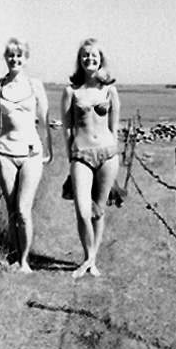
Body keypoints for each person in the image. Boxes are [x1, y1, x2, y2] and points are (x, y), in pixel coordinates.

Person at [0, 38, 53, 273]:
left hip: (31, 154)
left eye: (19, 55)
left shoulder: (35, 86)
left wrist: (49, 150)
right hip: (5, 153)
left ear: (26, 59)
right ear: (5, 58)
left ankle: (25, 262)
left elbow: (44, 121)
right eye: (11, 55)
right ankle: (15, 256)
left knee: (24, 210)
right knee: (12, 210)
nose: (15, 59)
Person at [61, 38, 120, 278]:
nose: (89, 59)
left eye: (94, 55)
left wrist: (115, 154)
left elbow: (114, 128)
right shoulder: (71, 91)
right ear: (80, 60)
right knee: (83, 211)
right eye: (85, 55)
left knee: (99, 209)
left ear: (101, 59)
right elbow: (67, 127)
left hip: (107, 154)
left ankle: (91, 261)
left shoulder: (110, 91)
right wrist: (71, 154)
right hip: (81, 154)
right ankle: (89, 257)